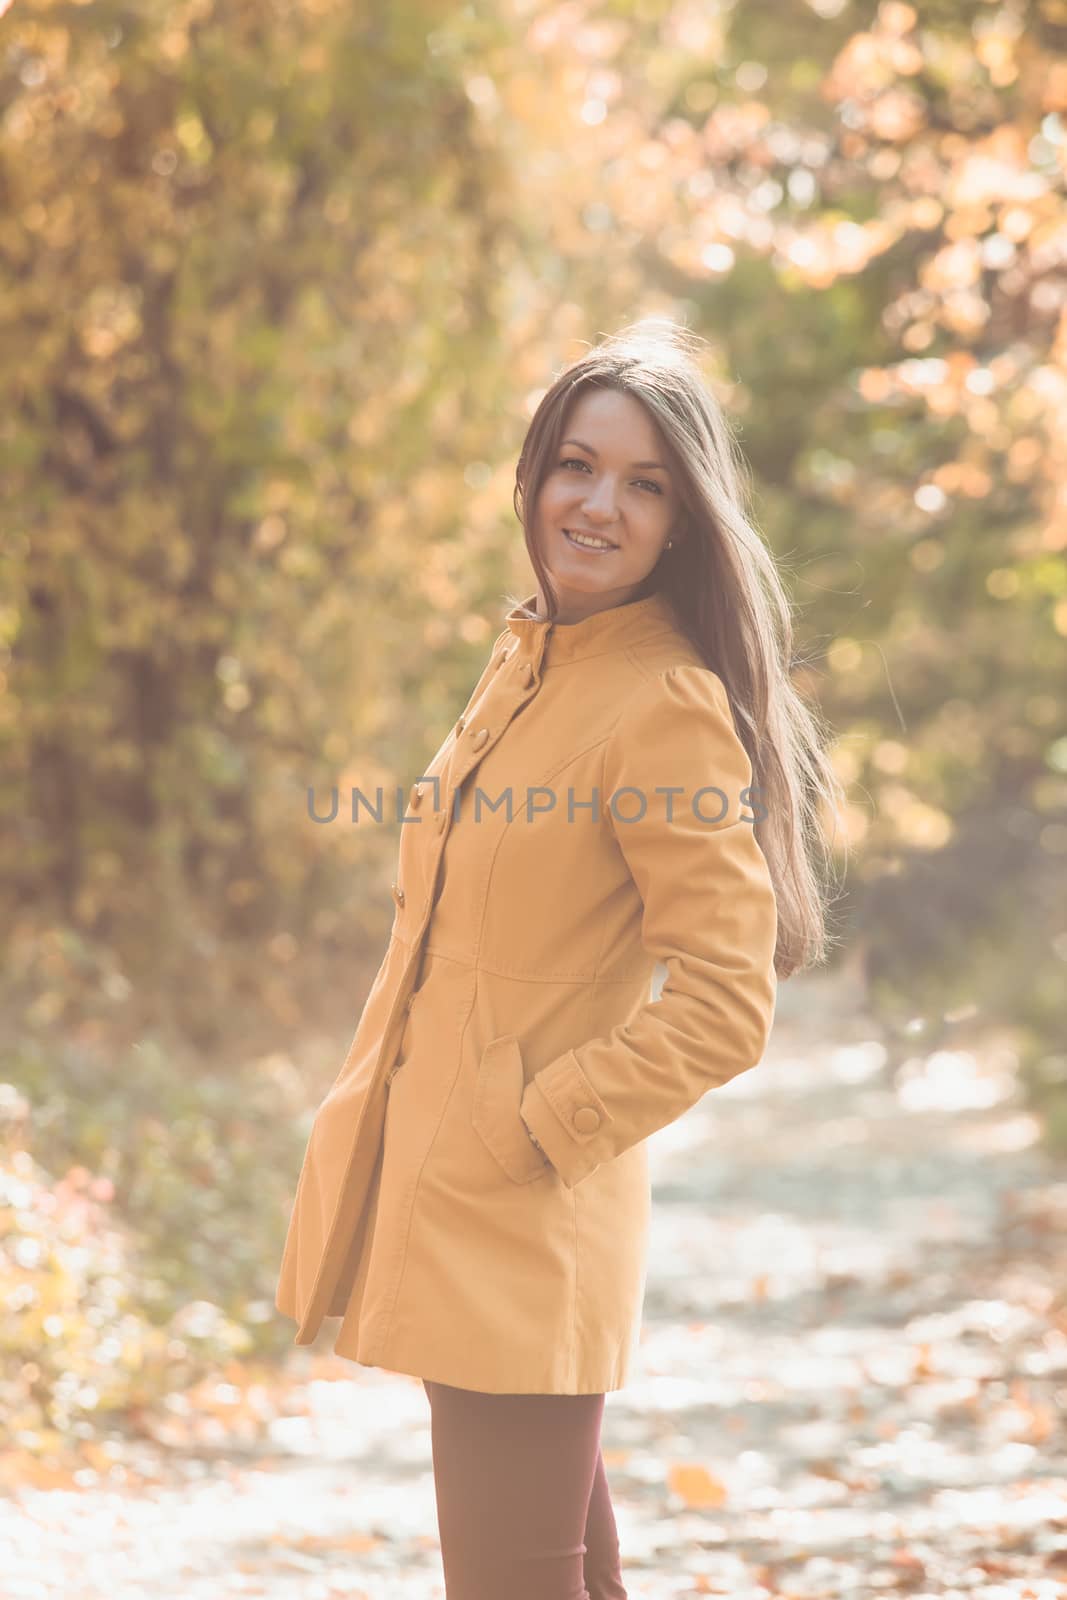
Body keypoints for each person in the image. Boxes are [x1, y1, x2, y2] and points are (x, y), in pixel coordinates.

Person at [275, 319, 845, 1600]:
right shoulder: (527, 662)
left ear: (682, 524)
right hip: (457, 1194)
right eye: (576, 468)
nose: (598, 505)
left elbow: (722, 1001)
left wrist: (533, 1126)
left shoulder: (661, 703)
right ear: (530, 480)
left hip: (524, 1213)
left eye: (644, 485)